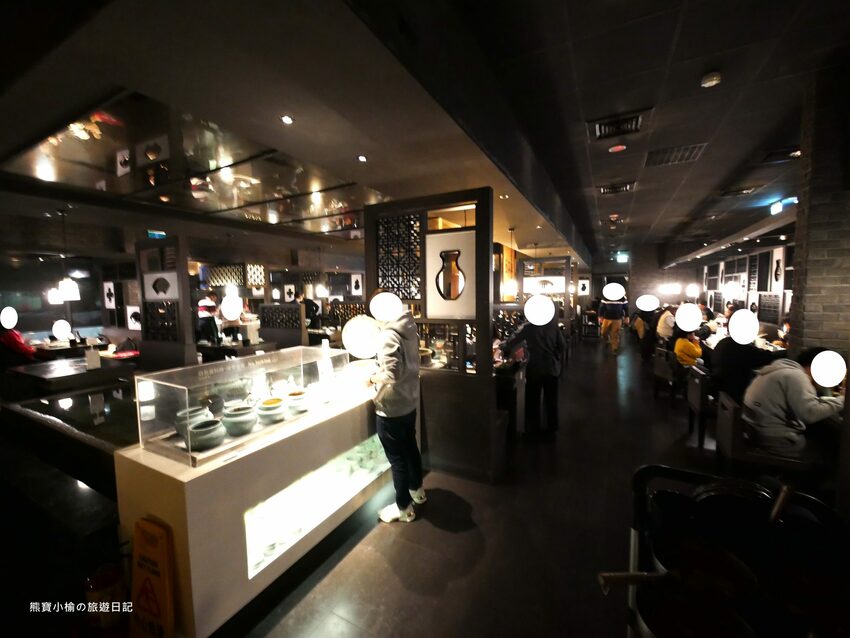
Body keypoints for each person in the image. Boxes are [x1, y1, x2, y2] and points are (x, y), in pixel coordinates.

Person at [369, 294, 425, 523]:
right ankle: (417, 492)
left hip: (391, 407)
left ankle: (403, 508)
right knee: (410, 449)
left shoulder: (388, 335)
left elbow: (392, 373)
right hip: (409, 401)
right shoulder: (409, 328)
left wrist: (372, 378)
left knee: (397, 460)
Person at [743, 347, 844, 459]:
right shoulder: (797, 377)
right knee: (832, 453)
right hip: (778, 441)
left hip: (759, 433)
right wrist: (843, 400)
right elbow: (809, 414)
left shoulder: (781, 370)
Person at [501, 311, 566, 438]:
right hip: (551, 368)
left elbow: (512, 341)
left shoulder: (528, 327)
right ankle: (551, 430)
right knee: (551, 400)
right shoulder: (553, 327)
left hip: (535, 368)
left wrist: (502, 347)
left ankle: (533, 430)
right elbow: (562, 346)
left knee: (532, 400)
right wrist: (555, 355)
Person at [712, 335, 784, 404]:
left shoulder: (724, 341)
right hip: (734, 396)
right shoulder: (743, 348)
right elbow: (767, 357)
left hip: (718, 388)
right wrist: (787, 352)